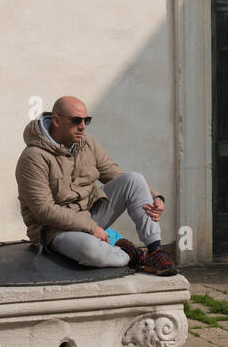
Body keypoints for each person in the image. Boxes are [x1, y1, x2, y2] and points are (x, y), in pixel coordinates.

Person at [15, 96, 177, 276]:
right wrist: (91, 228)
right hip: (55, 231)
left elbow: (115, 173)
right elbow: (44, 210)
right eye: (76, 120)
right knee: (91, 251)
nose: (83, 126)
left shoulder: (86, 143)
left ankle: (154, 251)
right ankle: (133, 255)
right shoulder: (33, 158)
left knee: (134, 179)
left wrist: (156, 197)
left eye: (87, 120)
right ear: (56, 120)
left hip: (90, 215)